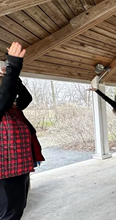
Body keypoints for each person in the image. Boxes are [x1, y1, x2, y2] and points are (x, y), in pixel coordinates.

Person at [0, 42, 45, 220]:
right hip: (5, 171)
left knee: (17, 208)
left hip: (18, 167)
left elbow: (26, 97)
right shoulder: (4, 106)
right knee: (9, 213)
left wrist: (15, 79)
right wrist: (13, 65)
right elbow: (6, 95)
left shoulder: (13, 109)